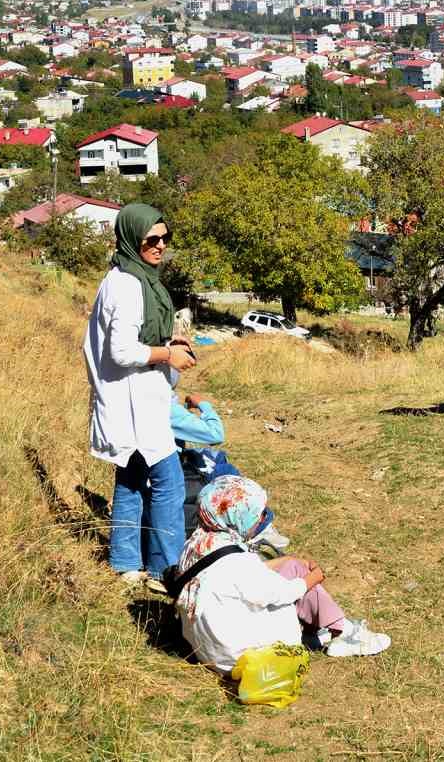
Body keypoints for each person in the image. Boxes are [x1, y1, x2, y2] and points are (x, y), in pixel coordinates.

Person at [85, 203, 197, 590]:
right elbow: (121, 351)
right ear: (132, 238)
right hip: (133, 402)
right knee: (169, 481)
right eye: (152, 238)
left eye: (165, 238)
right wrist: (169, 354)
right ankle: (167, 568)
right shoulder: (130, 285)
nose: (161, 245)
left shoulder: (126, 277)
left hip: (132, 399)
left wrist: (168, 341)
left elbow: (135, 338)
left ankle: (125, 561)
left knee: (131, 478)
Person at [175, 475, 390, 672]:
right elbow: (283, 593)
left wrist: (286, 561)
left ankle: (329, 628)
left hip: (209, 652)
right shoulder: (239, 562)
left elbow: (240, 579)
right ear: (237, 517)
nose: (260, 521)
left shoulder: (193, 546)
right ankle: (344, 632)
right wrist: (311, 579)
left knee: (291, 566)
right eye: (257, 516)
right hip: (245, 658)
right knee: (297, 578)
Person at [171, 391, 291, 553]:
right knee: (225, 471)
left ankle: (254, 521)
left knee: (217, 459)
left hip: (158, 464)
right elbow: (215, 434)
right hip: (167, 469)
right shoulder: (161, 403)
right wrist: (203, 405)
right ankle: (258, 526)